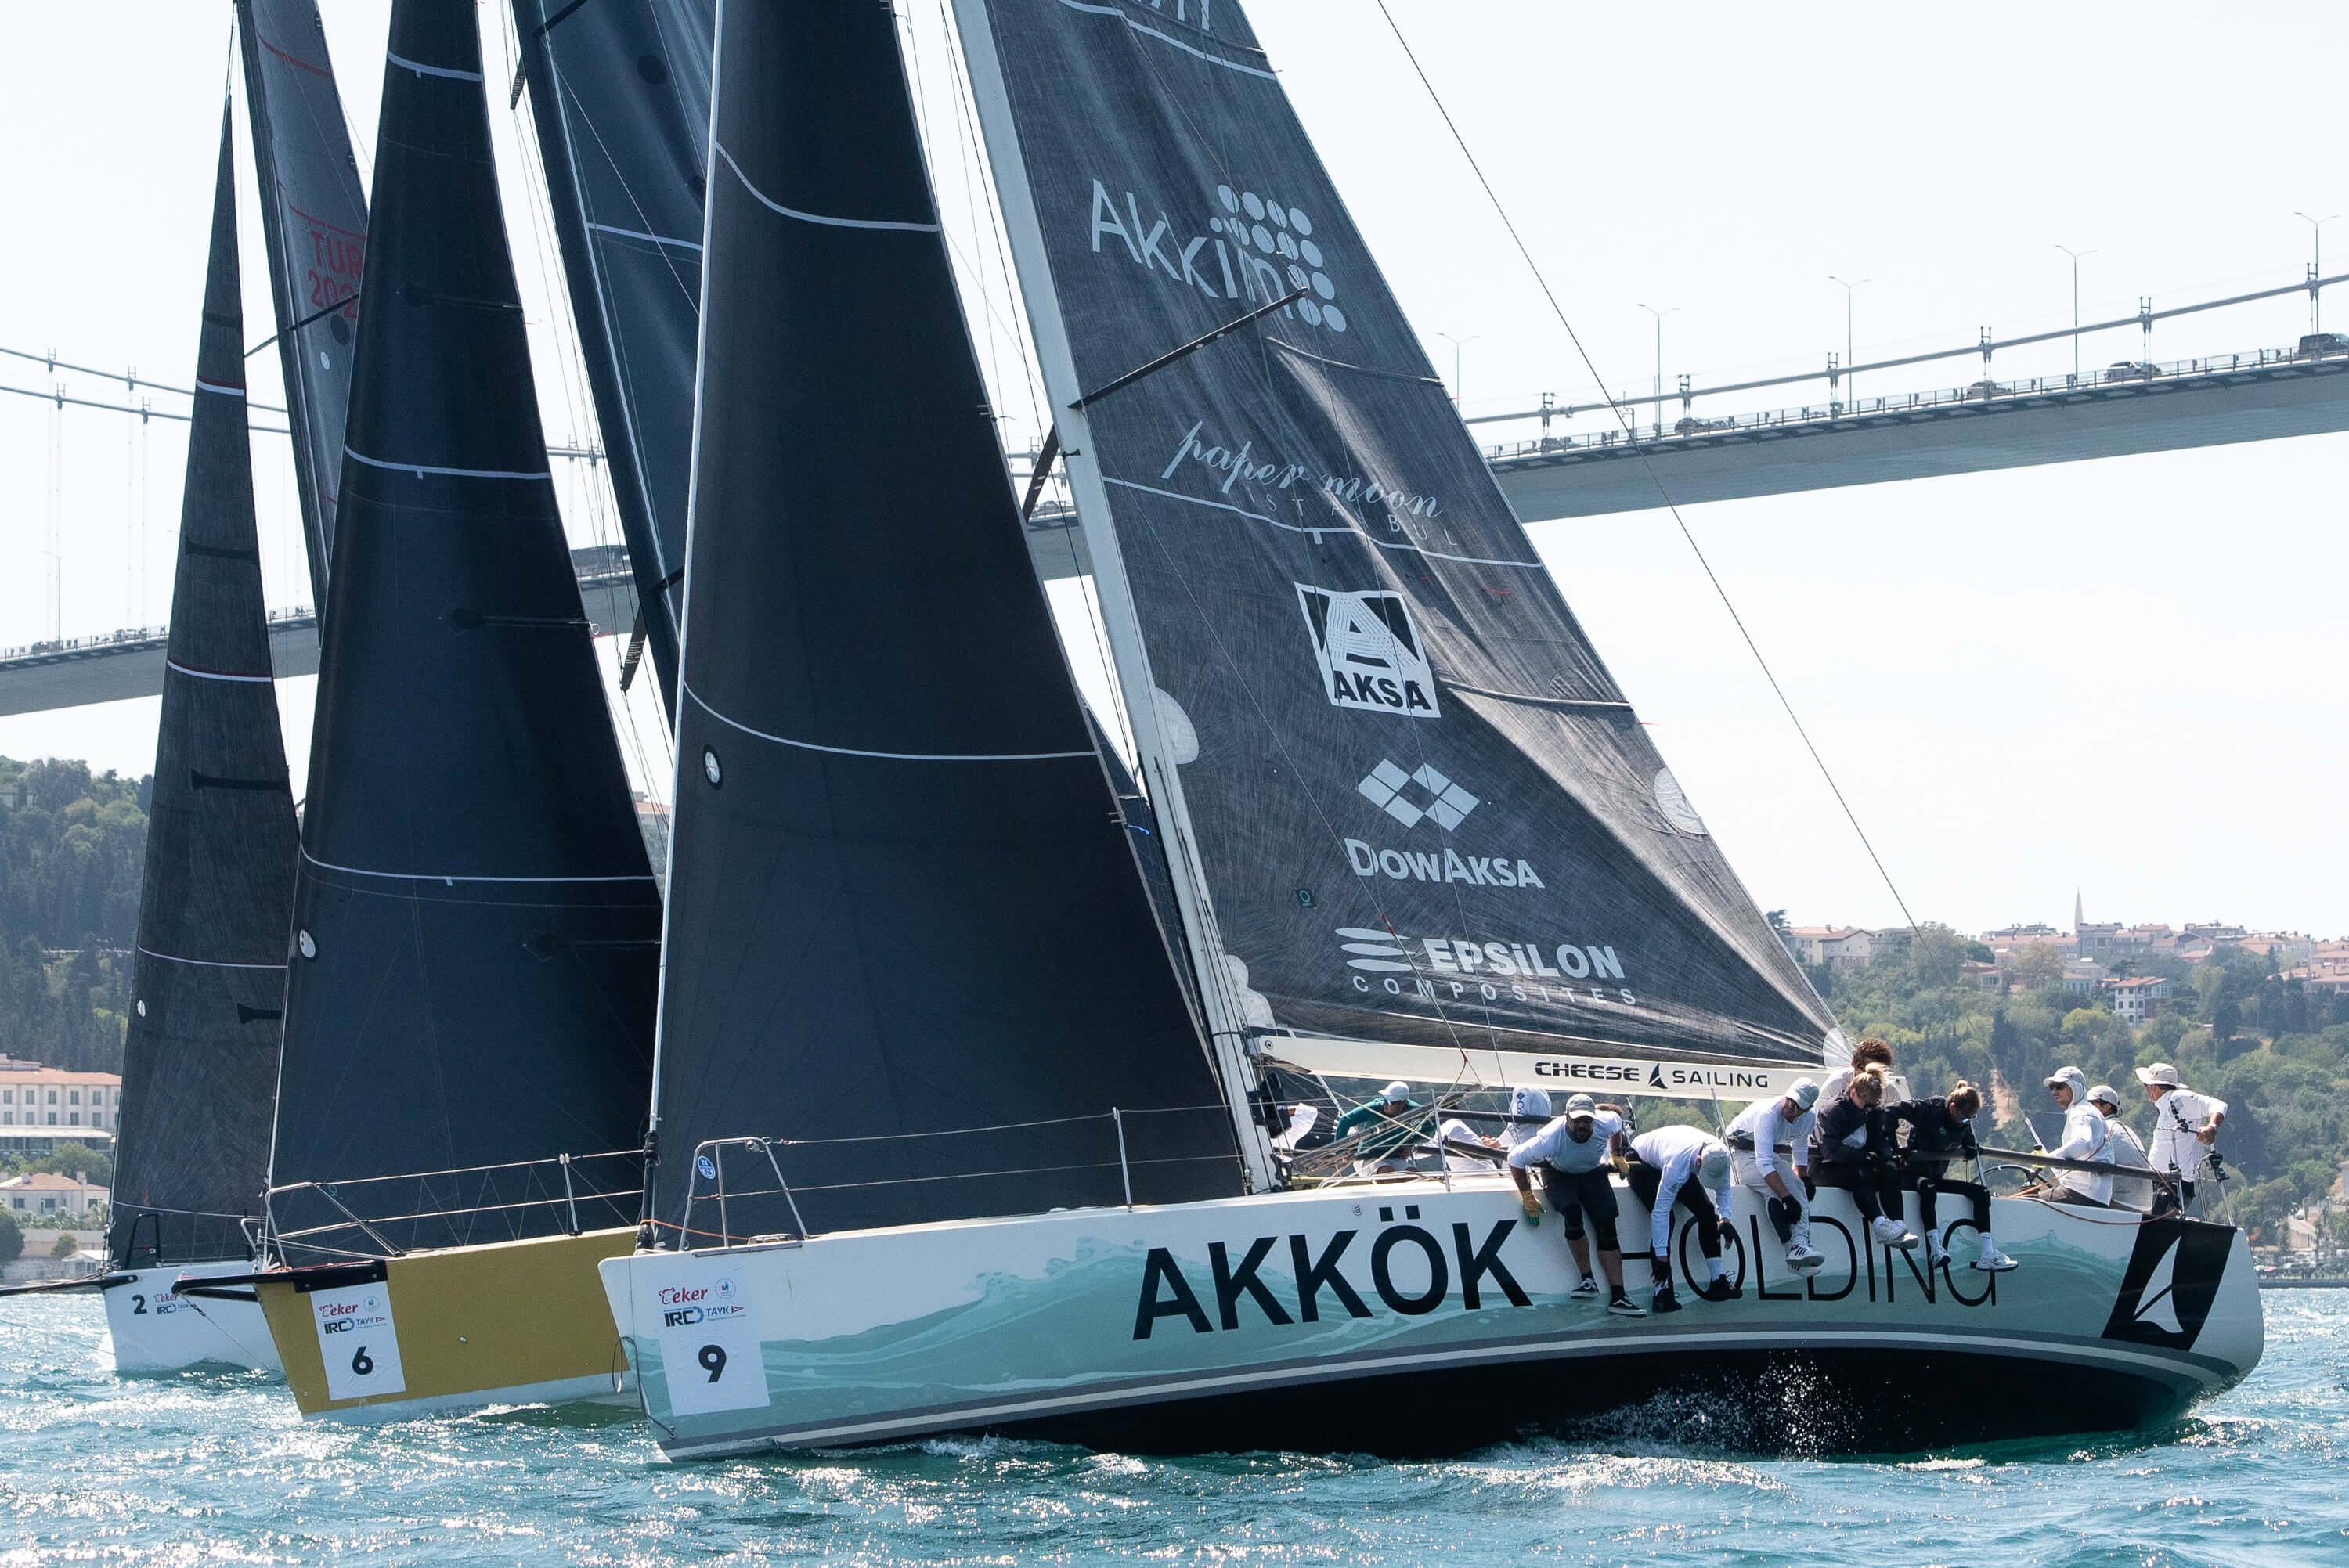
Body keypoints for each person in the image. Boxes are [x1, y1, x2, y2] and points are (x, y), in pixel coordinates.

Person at [1507, 1093, 1645, 1316]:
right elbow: (1515, 1159)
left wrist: (1616, 1154)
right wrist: (1527, 1195)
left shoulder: (1606, 1122)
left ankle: (1619, 1297)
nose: (1582, 1125)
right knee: (1572, 1212)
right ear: (1566, 1117)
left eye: (1587, 1120)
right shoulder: (1550, 1137)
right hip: (1558, 1172)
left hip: (1592, 1171)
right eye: (1577, 1120)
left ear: (1594, 1119)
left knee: (1607, 1226)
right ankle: (1587, 1280)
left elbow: (1618, 1123)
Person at [1882, 1080, 2016, 1272]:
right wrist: (1893, 1148)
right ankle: (1935, 1249)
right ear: (1952, 1107)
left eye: (1970, 1119)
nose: (1965, 1123)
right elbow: (1890, 1111)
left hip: (1936, 1176)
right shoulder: (1929, 1109)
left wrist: (1971, 1147)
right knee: (1928, 1188)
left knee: (1981, 1193)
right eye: (1963, 1118)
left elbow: (1968, 1140)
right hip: (1913, 1174)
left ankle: (1987, 1253)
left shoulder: (1964, 1121)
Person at [1619, 1123, 1737, 1312]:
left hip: (1675, 1156)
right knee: (1669, 1218)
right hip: (1641, 1163)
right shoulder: (1677, 1165)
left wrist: (1725, 1219)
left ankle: (1718, 1281)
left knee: (1707, 1211)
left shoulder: (1721, 1156)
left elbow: (1723, 1188)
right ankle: (1662, 1292)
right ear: (1699, 1161)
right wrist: (1662, 1260)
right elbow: (1660, 1213)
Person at [1810, 1065, 1919, 1249]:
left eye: (1873, 1105)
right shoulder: (1832, 1112)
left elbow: (1879, 1139)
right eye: (1866, 1105)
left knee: (1890, 1171)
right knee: (1860, 1175)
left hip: (1857, 1161)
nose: (1869, 1109)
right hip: (1825, 1167)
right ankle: (1879, 1225)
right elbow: (1831, 1150)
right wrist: (1863, 1157)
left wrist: (1888, 1157)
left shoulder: (1872, 1111)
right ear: (1853, 1093)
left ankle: (1899, 1225)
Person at [1726, 1080, 1825, 1275]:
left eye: (1798, 1105)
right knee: (1773, 1191)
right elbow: (1764, 1165)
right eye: (1790, 1100)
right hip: (1738, 1152)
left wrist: (1804, 1177)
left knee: (1798, 1187)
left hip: (1764, 1152)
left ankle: (1800, 1244)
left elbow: (1799, 1144)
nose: (1791, 1107)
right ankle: (1791, 1251)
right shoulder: (1768, 1114)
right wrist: (1787, 1198)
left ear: (1807, 1109)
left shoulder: (1809, 1118)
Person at [2138, 1063, 2228, 1217]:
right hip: (2161, 1183)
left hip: (2172, 1186)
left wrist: (2211, 1127)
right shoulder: (2167, 1107)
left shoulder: (2178, 1099)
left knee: (2152, 1227)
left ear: (2153, 1087)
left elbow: (2219, 1105)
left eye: (2146, 1086)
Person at [2036, 1065, 2111, 1206]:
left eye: (2059, 1086)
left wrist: (2050, 1157)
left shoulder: (2080, 1112)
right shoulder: (2091, 1112)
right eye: (2052, 1087)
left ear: (2075, 1088)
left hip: (2080, 1193)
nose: (2054, 1091)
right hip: (2097, 1196)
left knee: (2022, 1203)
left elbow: (2083, 1143)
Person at [1439, 1086, 1549, 1173]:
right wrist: (1498, 1141)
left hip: (1521, 1157)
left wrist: (1498, 1143)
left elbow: (1519, 1123)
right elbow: (1526, 1127)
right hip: (1542, 1154)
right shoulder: (1541, 1091)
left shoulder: (1524, 1090)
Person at [1332, 1081, 1433, 1173]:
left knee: (1414, 1174)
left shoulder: (1414, 1111)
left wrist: (1410, 1143)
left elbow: (1430, 1127)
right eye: (1385, 1099)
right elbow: (1345, 1120)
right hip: (1367, 1156)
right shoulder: (1375, 1108)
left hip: (1395, 1156)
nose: (1385, 1104)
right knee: (1386, 1172)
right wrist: (1340, 1151)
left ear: (1403, 1104)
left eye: (1390, 1102)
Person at [2089, 1083, 2158, 1215]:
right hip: (2145, 1207)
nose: (2087, 1109)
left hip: (2121, 1204)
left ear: (2107, 1107)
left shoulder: (2103, 1127)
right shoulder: (2125, 1129)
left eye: (2091, 1104)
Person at [1820, 1036, 1895, 1111]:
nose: (1870, 1076)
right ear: (1855, 1066)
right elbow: (1820, 1113)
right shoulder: (1836, 1084)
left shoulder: (1890, 1091)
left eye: (1875, 1072)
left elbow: (1899, 1118)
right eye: (1865, 1070)